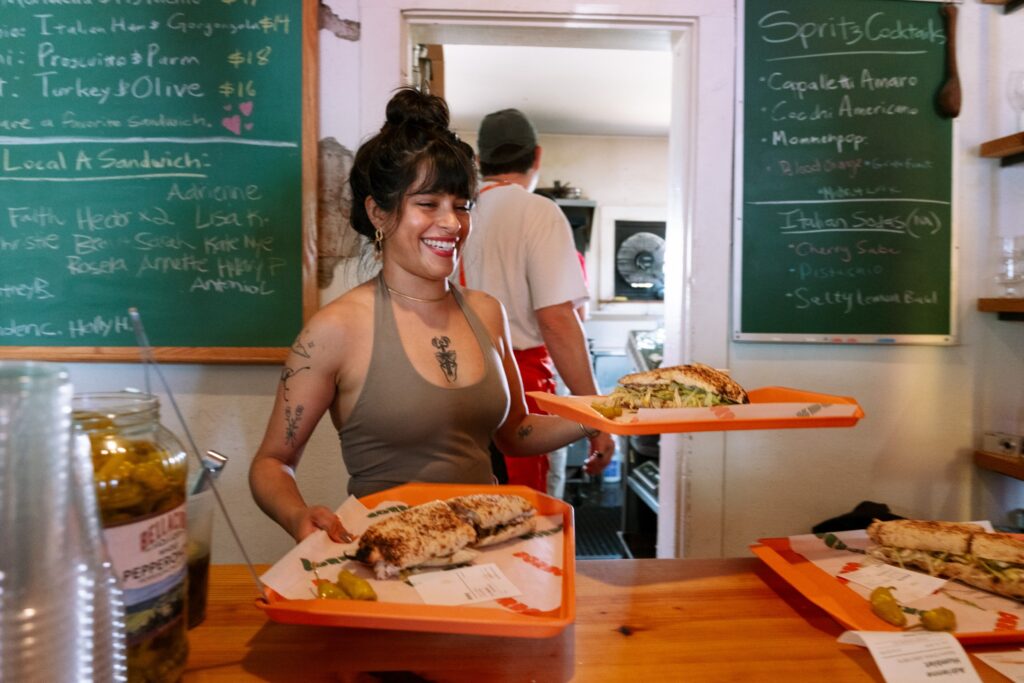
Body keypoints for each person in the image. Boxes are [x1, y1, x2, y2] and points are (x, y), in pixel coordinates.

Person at [249, 88, 612, 543]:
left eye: (462, 205)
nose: (453, 223)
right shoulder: (334, 331)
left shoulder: (486, 312)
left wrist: (606, 412)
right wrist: (296, 515)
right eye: (428, 204)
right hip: (389, 559)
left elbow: (516, 434)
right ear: (379, 212)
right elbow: (271, 462)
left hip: (485, 555)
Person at [458, 108, 615, 494]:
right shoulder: (538, 212)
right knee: (526, 520)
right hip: (522, 389)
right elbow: (558, 321)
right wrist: (597, 416)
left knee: (467, 507)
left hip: (452, 383)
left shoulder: (453, 210)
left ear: (479, 161)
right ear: (537, 156)